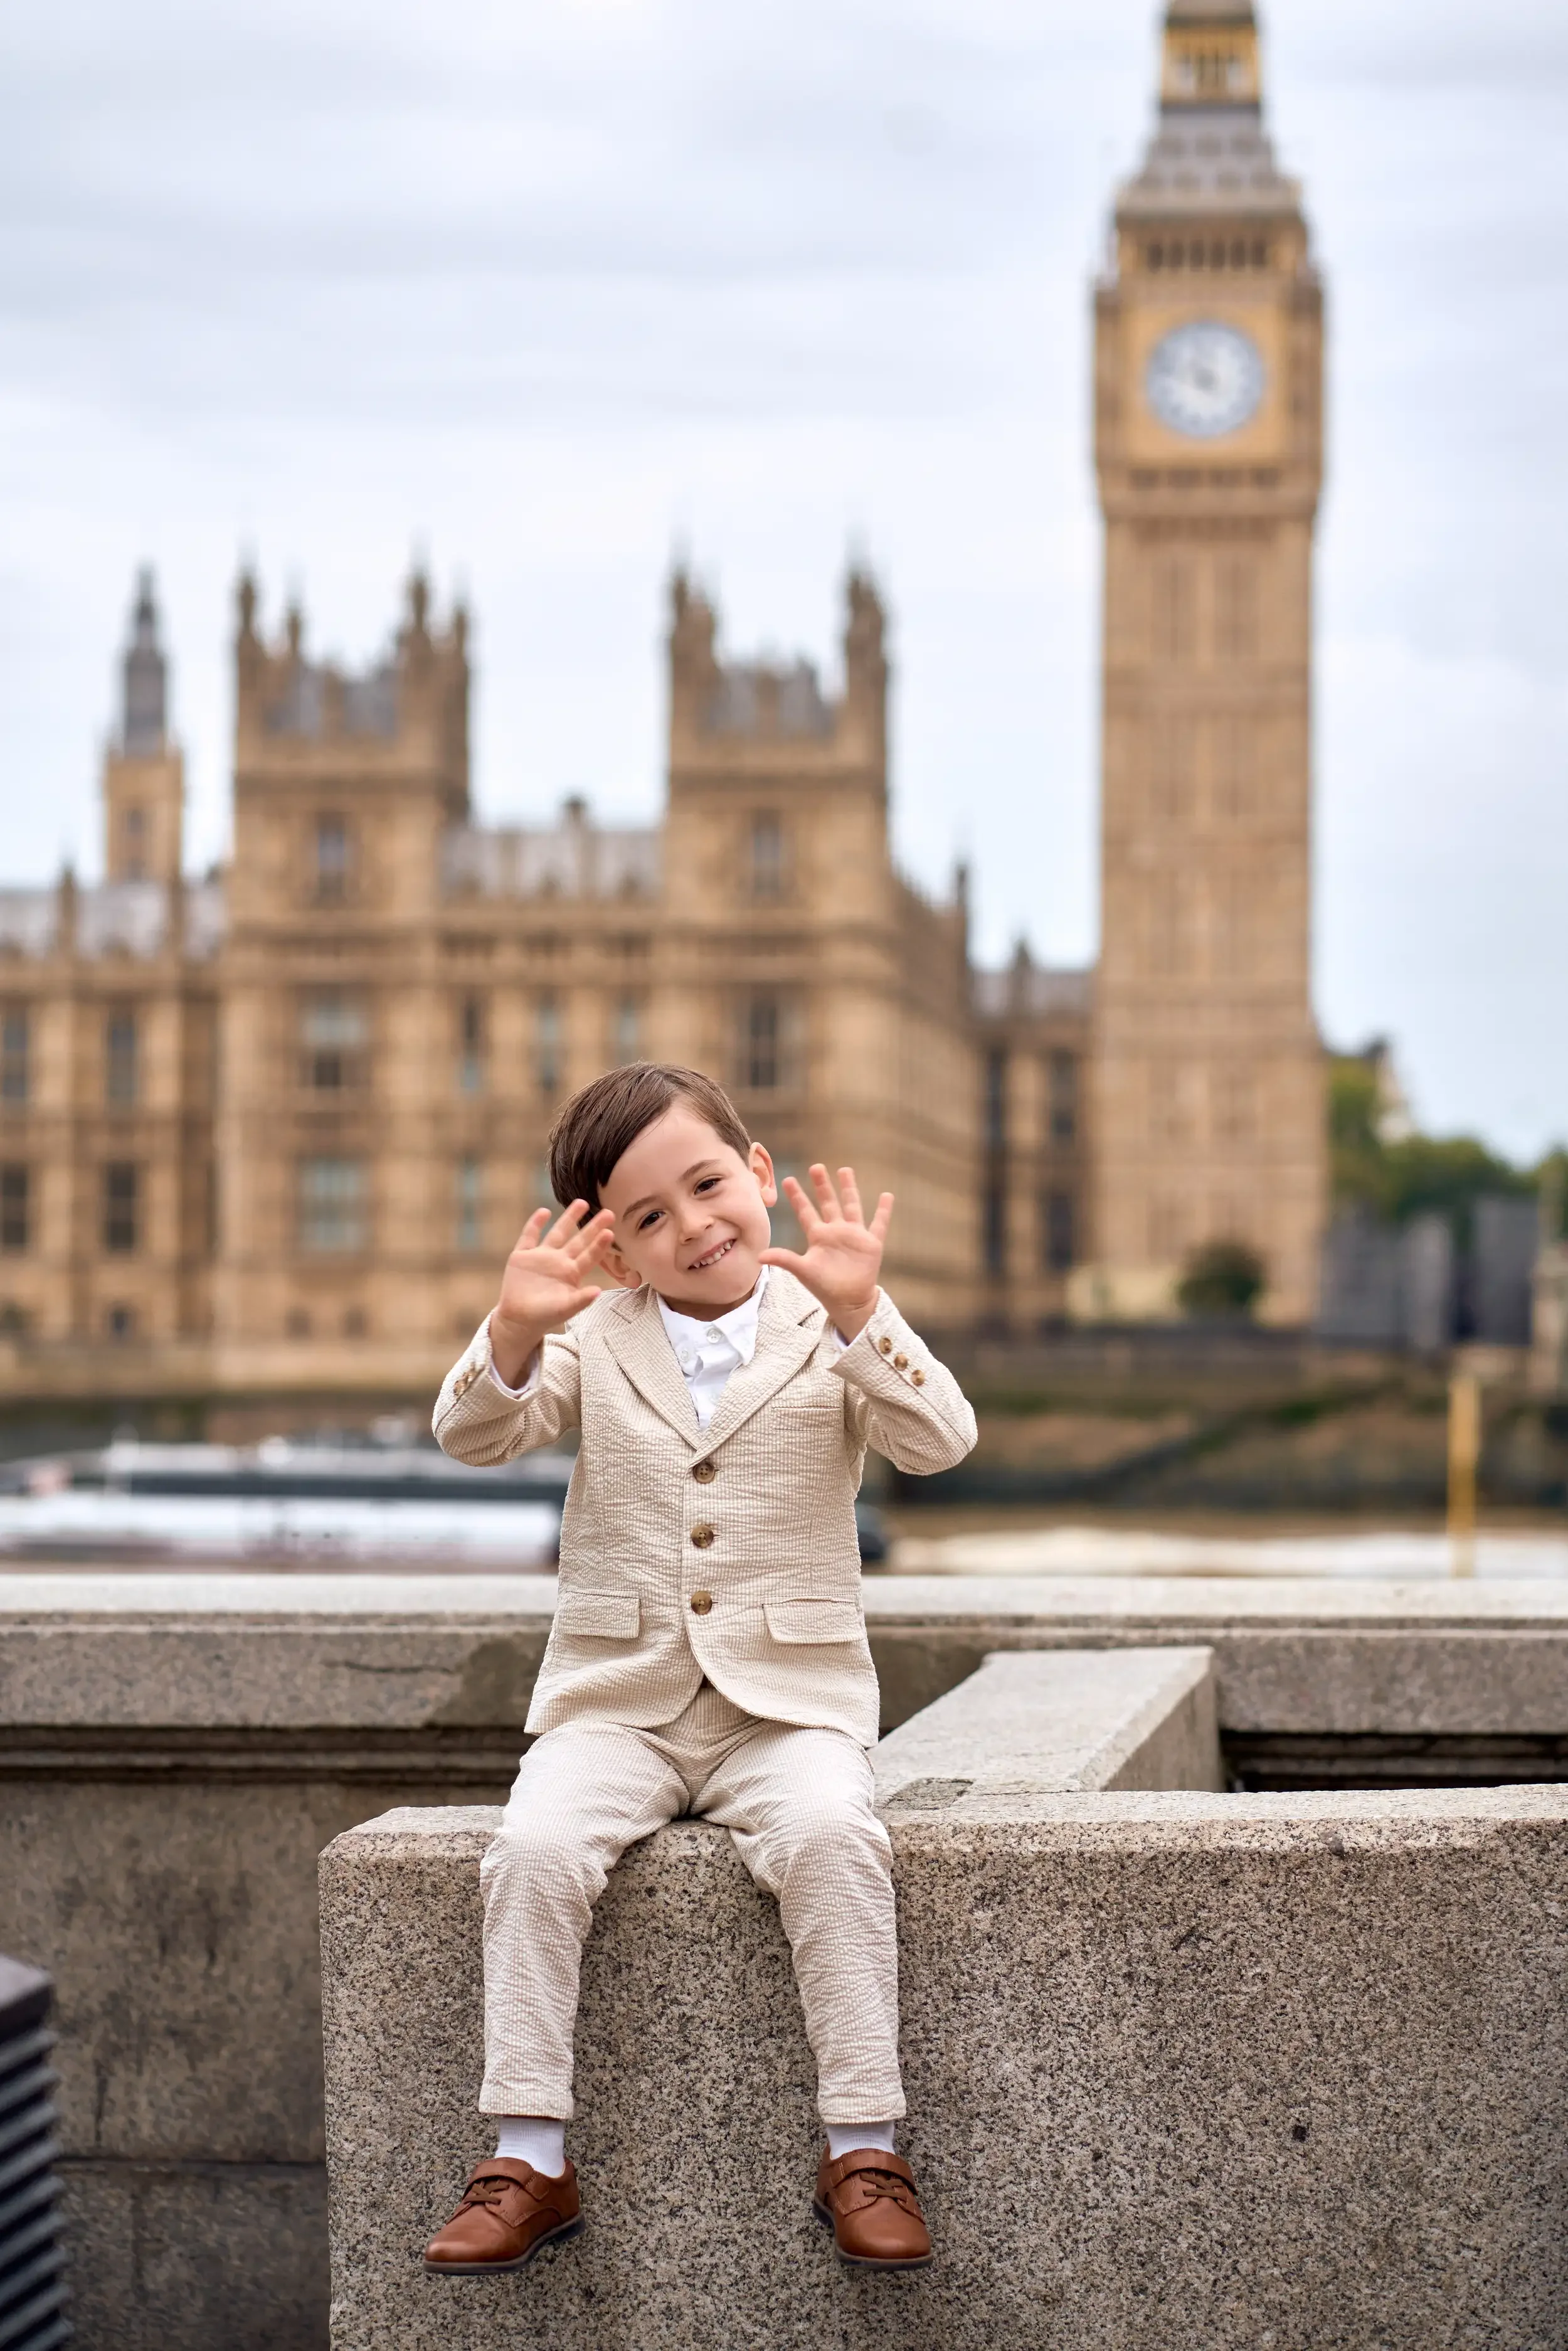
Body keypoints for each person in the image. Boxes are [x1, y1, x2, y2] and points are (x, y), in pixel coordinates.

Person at [421, 1062, 977, 2278]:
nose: (693, 1226)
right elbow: (474, 1432)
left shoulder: (828, 1322)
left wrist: (859, 1313)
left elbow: (941, 1438)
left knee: (835, 1842)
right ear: (614, 1253)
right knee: (529, 1851)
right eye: (649, 1217)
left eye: (708, 1184)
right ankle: (525, 2151)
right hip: (617, 1701)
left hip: (785, 1707)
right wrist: (513, 1324)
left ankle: (864, 2145)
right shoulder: (593, 1335)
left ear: (760, 1172)